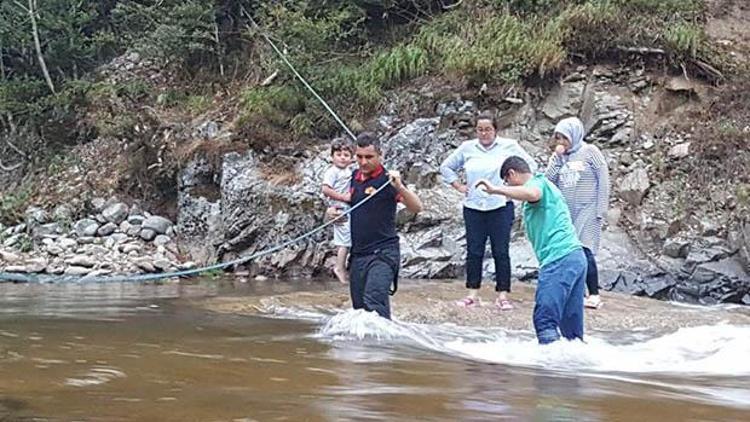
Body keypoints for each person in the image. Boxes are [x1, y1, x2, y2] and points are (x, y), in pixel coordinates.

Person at [476, 156, 586, 344]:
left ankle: (546, 368)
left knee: (544, 321)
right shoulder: (549, 186)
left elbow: (533, 194)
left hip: (558, 259)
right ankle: (574, 367)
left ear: (511, 174)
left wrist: (496, 190)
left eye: (507, 182)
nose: (509, 188)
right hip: (576, 257)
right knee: (571, 333)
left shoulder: (538, 183)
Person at [439, 112, 537, 310]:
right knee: (474, 251)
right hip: (474, 206)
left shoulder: (508, 147)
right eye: (480, 130)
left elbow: (531, 166)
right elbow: (446, 167)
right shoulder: (468, 148)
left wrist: (513, 187)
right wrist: (459, 186)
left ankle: (503, 295)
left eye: (488, 129)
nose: (484, 134)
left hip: (500, 205)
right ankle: (472, 294)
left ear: (495, 130)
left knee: (501, 251)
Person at [327, 132, 423, 319]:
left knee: (374, 303)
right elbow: (340, 207)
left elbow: (417, 207)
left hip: (383, 253)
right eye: (359, 157)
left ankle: (382, 346)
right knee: (359, 310)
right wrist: (330, 214)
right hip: (358, 255)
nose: (363, 162)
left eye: (369, 157)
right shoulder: (353, 177)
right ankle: (368, 348)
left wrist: (400, 186)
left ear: (380, 155)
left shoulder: (388, 181)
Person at [545, 117, 609, 309]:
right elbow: (548, 182)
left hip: (588, 210)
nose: (562, 142)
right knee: (571, 252)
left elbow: (603, 178)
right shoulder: (560, 158)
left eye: (565, 138)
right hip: (567, 212)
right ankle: (577, 294)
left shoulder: (590, 152)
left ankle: (594, 293)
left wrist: (601, 209)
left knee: (585, 250)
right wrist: (556, 159)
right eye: (559, 138)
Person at [322, 138, 354, 284]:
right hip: (339, 208)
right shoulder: (332, 172)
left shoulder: (349, 171)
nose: (342, 157)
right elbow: (326, 189)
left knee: (351, 238)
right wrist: (343, 197)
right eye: (339, 154)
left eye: (346, 155)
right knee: (344, 241)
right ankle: (339, 267)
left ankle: (346, 266)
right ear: (332, 157)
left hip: (349, 208)